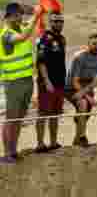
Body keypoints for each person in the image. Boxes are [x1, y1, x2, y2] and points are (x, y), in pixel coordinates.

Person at [1, 3, 44, 163]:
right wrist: (36, 15)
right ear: (10, 16)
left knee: (19, 118)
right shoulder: (6, 35)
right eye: (18, 15)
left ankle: (13, 150)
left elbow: (31, 22)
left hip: (26, 81)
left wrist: (40, 5)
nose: (21, 18)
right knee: (11, 118)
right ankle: (6, 153)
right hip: (13, 83)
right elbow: (23, 37)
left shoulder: (21, 26)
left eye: (21, 15)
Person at [34, 12, 67, 153]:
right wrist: (47, 81)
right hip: (46, 83)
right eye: (55, 21)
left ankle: (53, 142)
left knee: (55, 113)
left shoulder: (62, 39)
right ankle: (40, 144)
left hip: (59, 82)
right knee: (43, 113)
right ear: (50, 22)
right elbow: (40, 62)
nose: (58, 24)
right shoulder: (44, 39)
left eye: (60, 21)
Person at [67, 32, 97, 147]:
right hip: (71, 87)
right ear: (88, 44)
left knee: (85, 114)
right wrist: (88, 97)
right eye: (94, 44)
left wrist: (86, 93)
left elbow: (95, 81)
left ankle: (76, 139)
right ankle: (82, 137)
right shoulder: (79, 57)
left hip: (87, 86)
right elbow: (74, 81)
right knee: (83, 103)